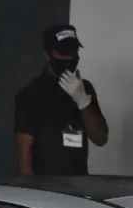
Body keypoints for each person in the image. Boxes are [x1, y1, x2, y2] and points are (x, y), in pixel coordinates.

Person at [14, 24, 108, 176]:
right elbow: (24, 150)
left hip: (79, 185)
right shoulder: (31, 94)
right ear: (47, 54)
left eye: (73, 52)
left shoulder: (85, 88)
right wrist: (30, 192)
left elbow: (100, 138)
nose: (69, 57)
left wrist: (83, 102)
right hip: (45, 186)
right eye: (63, 52)